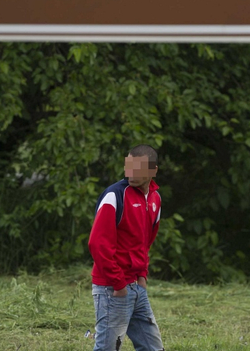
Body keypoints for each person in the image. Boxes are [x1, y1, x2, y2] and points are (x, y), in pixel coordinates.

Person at [88, 144, 164, 351]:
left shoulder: (155, 199)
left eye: (138, 169)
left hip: (136, 287)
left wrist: (142, 276)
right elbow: (97, 244)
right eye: (128, 167)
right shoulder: (115, 196)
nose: (131, 173)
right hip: (113, 288)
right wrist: (119, 284)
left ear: (153, 170)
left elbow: (145, 241)